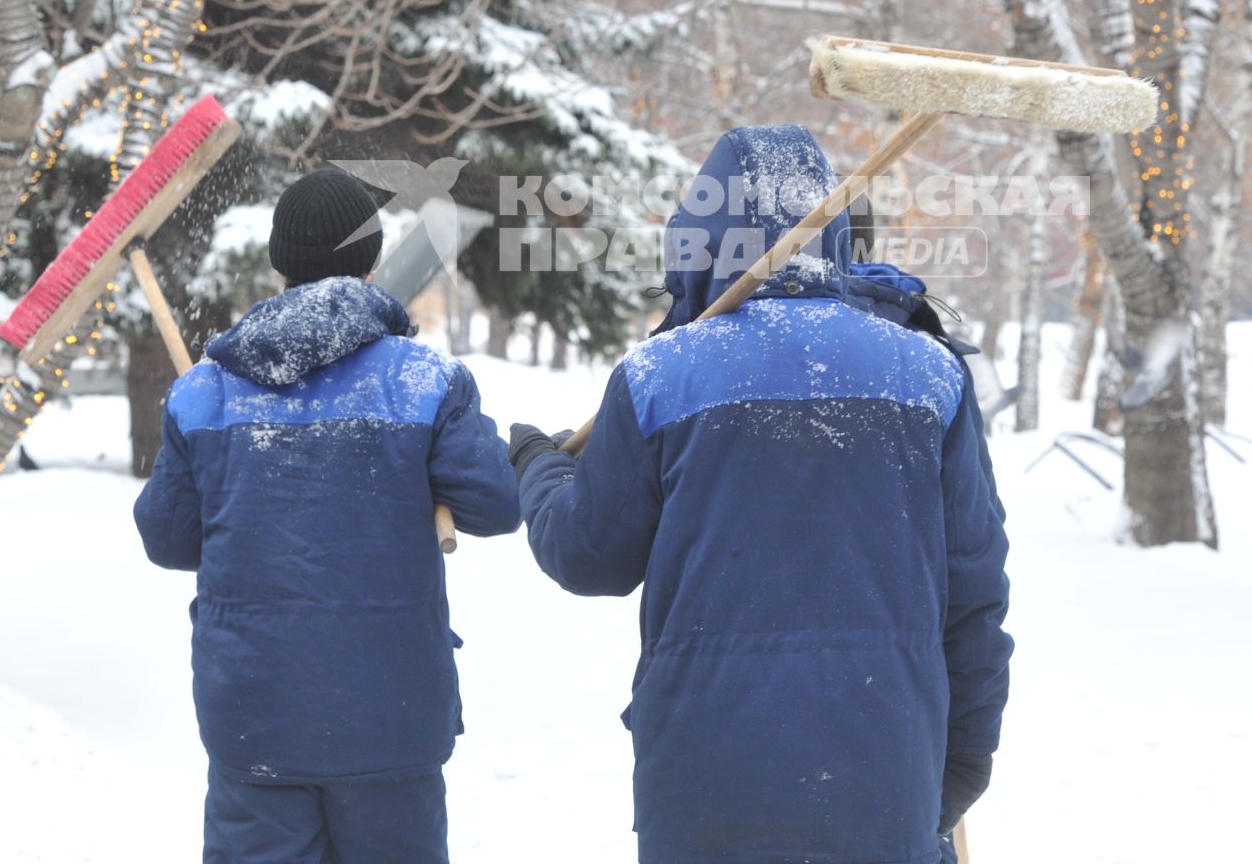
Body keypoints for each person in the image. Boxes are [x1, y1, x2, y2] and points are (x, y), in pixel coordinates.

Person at [508, 125, 1012, 864]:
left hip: (704, 789)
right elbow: (973, 591)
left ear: (702, 237)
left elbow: (589, 554)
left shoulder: (662, 375)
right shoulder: (927, 374)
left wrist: (540, 468)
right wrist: (964, 754)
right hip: (883, 776)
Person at [134, 167, 520, 864]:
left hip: (257, 721)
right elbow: (495, 504)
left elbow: (167, 538)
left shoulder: (205, 394)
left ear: (280, 263)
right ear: (371, 260)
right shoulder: (423, 380)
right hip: (390, 718)